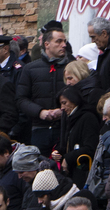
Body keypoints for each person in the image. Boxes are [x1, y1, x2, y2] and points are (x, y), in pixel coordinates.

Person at [17, 23, 71, 155]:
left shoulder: (72, 67)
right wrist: (40, 112)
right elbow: (21, 99)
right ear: (47, 44)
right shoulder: (30, 69)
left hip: (66, 129)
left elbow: (81, 96)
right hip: (39, 129)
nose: (63, 45)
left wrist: (63, 111)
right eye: (58, 41)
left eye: (64, 41)